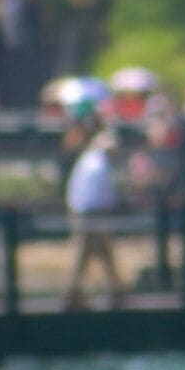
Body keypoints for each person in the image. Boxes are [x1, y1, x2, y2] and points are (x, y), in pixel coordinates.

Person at [62, 125, 126, 310]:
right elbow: (102, 194)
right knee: (85, 251)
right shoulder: (99, 165)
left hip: (82, 210)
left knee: (99, 251)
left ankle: (116, 290)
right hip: (91, 213)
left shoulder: (88, 159)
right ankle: (73, 292)